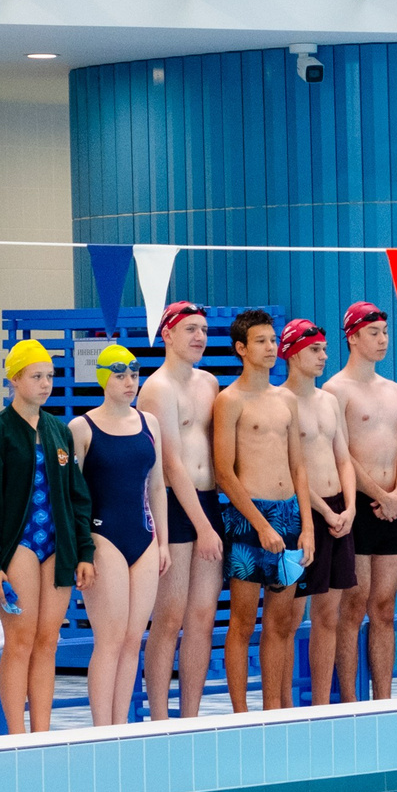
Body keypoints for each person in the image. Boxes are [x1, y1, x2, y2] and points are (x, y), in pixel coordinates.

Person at [0, 339, 94, 733]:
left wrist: (84, 552)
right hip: (19, 544)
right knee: (20, 641)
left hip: (57, 544)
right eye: (36, 376)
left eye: (50, 376)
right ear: (14, 379)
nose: (46, 384)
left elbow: (77, 496)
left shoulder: (58, 430)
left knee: (48, 642)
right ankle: (15, 734)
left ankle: (40, 732)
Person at [214, 309, 311, 712]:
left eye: (273, 340)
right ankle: (241, 713)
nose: (271, 347)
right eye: (261, 341)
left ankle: (274, 708)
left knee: (281, 621)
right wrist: (260, 526)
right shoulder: (229, 401)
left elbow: (298, 467)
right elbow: (224, 472)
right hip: (247, 519)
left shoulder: (286, 399)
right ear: (241, 348)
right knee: (242, 621)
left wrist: (307, 527)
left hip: (288, 516)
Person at [71, 343, 168, 728]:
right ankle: (102, 729)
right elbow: (73, 495)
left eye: (134, 374)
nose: (130, 382)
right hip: (102, 537)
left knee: (132, 639)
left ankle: (121, 726)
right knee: (109, 639)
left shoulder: (150, 423)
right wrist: (82, 548)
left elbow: (157, 486)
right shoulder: (82, 428)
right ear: (103, 379)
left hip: (143, 537)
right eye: (120, 375)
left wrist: (162, 542)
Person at [138, 301, 224, 721]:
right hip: (173, 504)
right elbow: (170, 463)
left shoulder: (210, 383)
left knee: (202, 617)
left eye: (203, 329)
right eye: (190, 329)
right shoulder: (158, 389)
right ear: (167, 335)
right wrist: (204, 527)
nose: (199, 337)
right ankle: (159, 718)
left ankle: (190, 716)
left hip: (207, 500)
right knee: (169, 617)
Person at [329, 300, 397, 701]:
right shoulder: (336, 390)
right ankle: (348, 701)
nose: (382, 340)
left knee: (384, 607)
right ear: (353, 337)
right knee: (353, 606)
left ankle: (384, 700)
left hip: (393, 508)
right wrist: (379, 495)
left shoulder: (394, 390)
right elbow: (341, 454)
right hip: (358, 508)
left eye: (385, 332)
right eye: (373, 333)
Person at [280, 320, 358, 705]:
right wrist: (325, 512)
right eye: (315, 350)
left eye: (325, 349)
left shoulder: (329, 401)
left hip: (340, 511)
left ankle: (322, 704)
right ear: (293, 353)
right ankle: (283, 707)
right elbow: (290, 469)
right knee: (289, 619)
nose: (324, 356)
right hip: (302, 514)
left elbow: (344, 458)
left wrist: (351, 507)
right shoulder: (282, 402)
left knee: (329, 615)